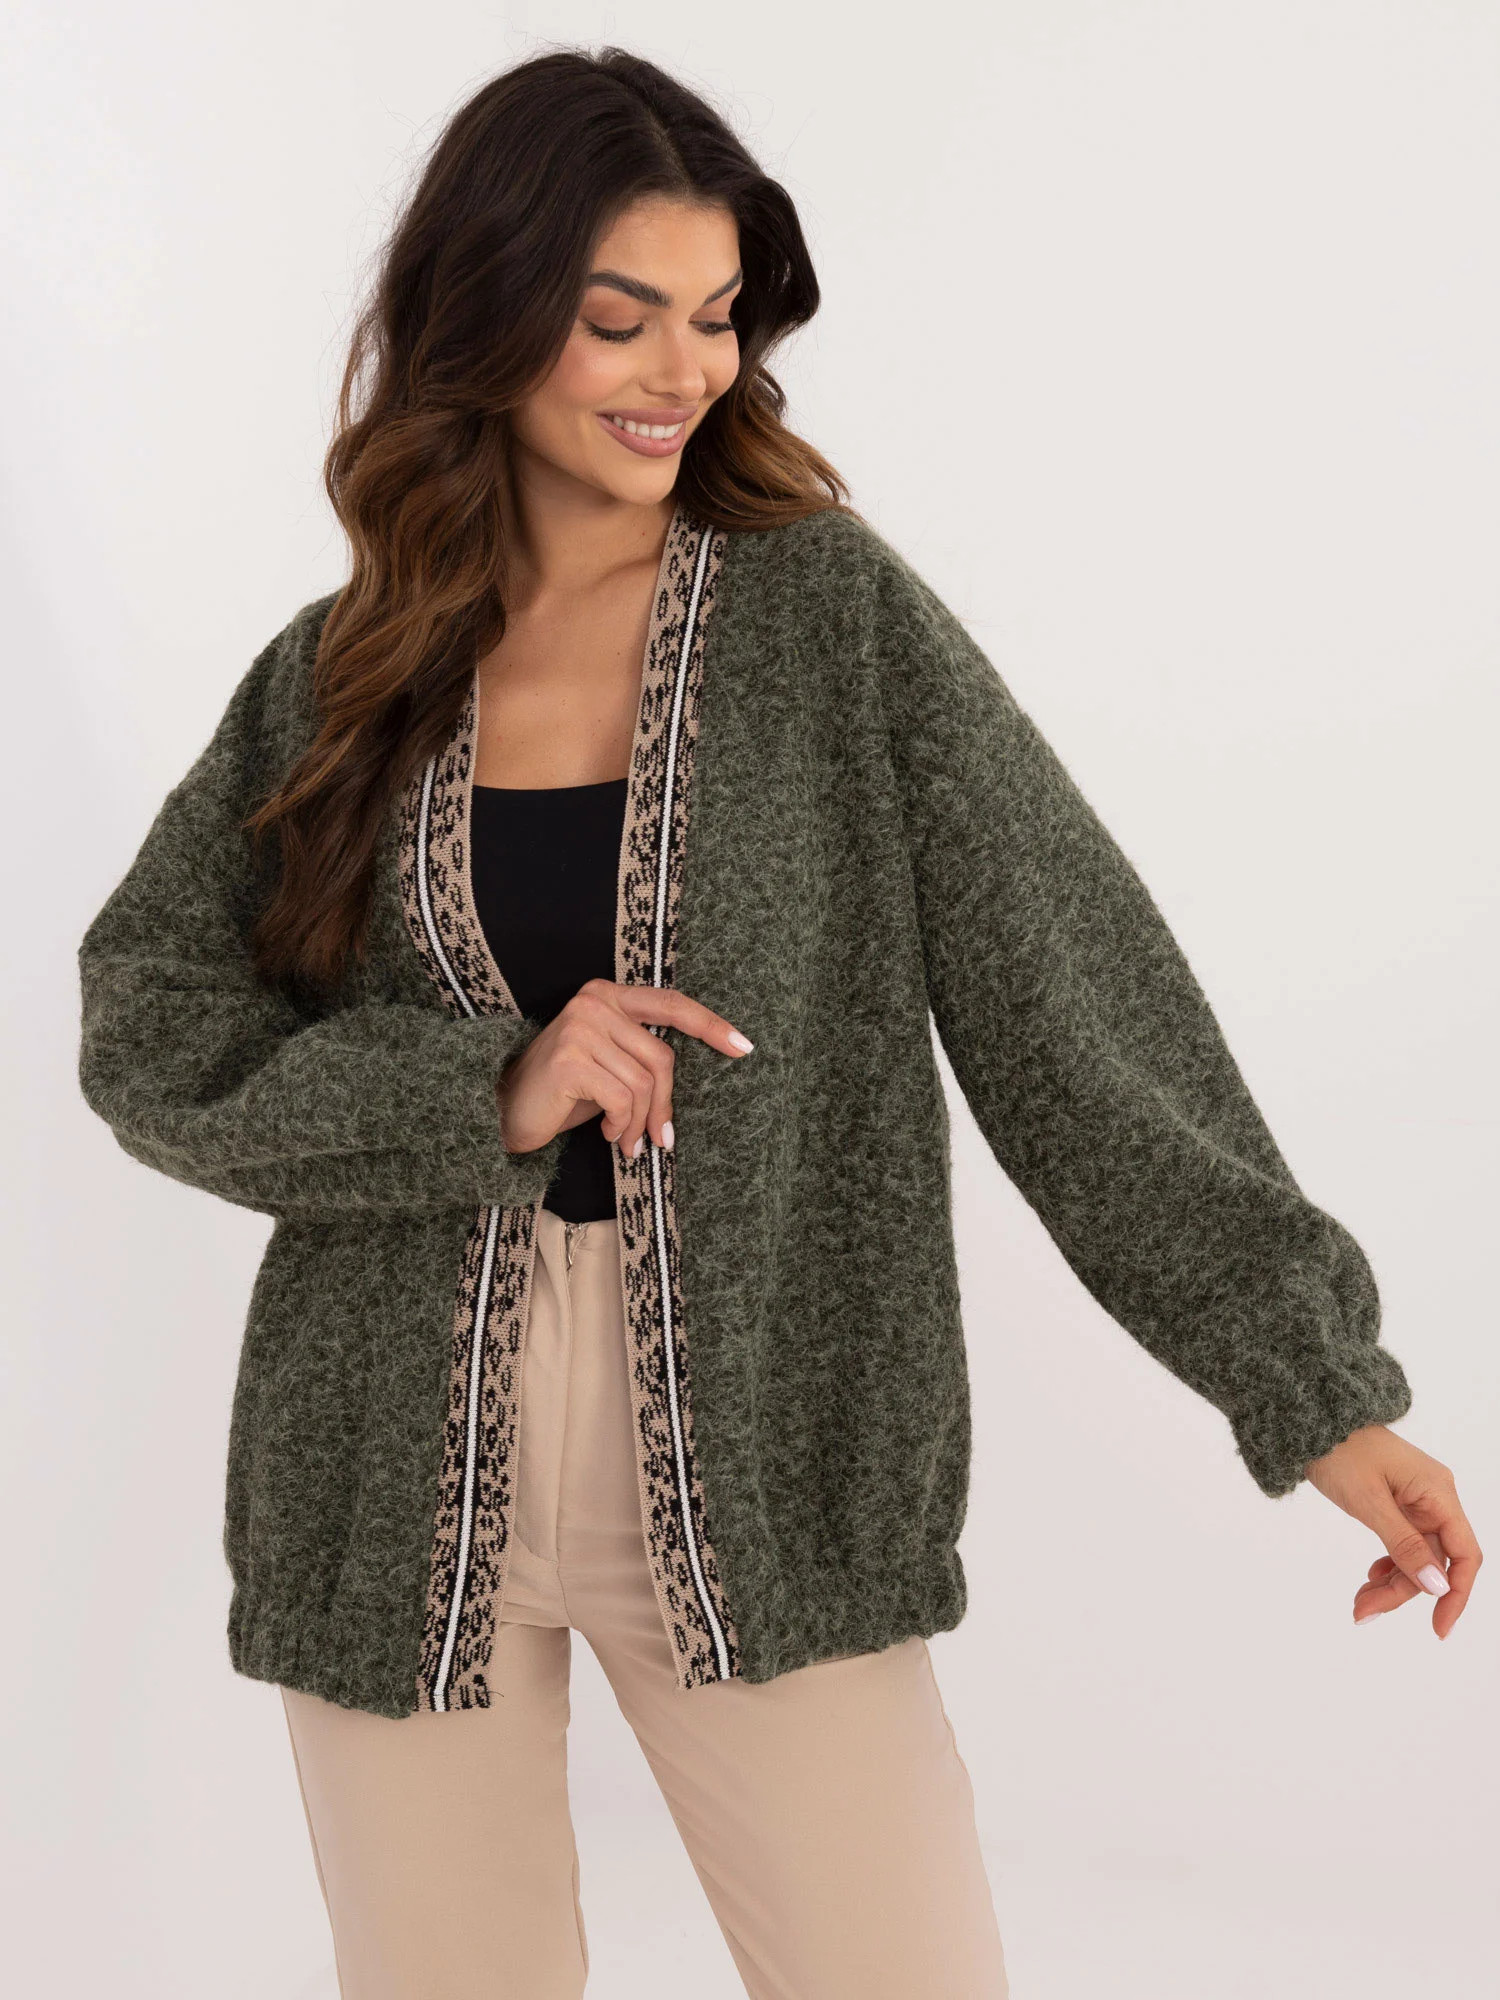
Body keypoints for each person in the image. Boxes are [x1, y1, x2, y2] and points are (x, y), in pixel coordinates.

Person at [76, 45, 1481, 2000]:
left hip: (768, 1451)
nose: (684, 370)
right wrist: (488, 1085)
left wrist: (1309, 1385)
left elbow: (1072, 997)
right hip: (393, 1477)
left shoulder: (829, 626)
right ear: (487, 317)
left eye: (718, 315)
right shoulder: (344, 675)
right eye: (620, 319)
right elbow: (149, 1022)